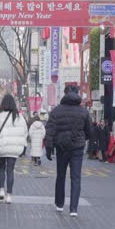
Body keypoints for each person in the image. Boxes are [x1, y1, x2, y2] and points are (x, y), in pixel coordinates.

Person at [45, 85, 92, 217]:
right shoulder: (83, 112)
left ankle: (59, 204)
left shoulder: (56, 111)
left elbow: (50, 130)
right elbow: (89, 131)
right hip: (77, 148)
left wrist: (49, 148)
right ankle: (73, 209)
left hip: (61, 147)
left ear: (65, 94)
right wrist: (82, 139)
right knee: (76, 177)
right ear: (77, 94)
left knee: (60, 176)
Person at [0, 94, 28, 204]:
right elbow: (25, 132)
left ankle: (2, 190)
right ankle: (9, 196)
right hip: (14, 148)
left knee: (2, 168)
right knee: (10, 170)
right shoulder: (19, 117)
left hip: (1, 147)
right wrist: (22, 145)